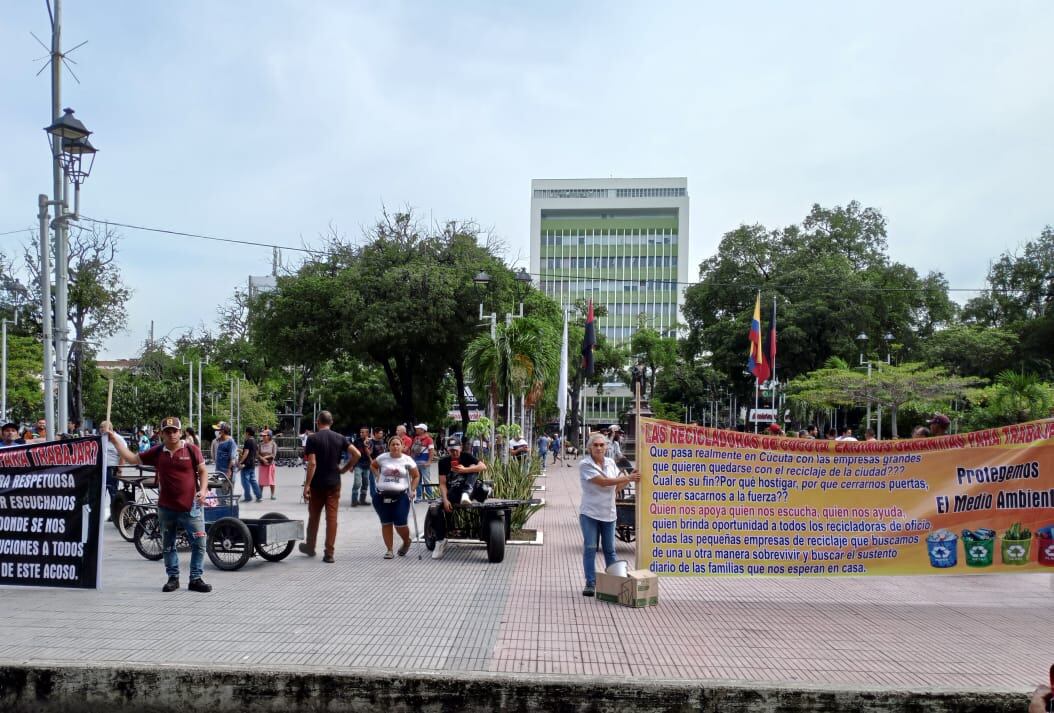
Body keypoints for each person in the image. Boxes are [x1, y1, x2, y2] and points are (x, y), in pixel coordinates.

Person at [105, 416, 212, 592]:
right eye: (167, 431)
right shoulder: (157, 452)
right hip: (166, 508)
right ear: (161, 434)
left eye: (174, 431)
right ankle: (173, 578)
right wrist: (115, 442)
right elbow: (132, 459)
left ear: (180, 432)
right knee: (168, 544)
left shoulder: (192, 450)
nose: (171, 435)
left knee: (200, 542)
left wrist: (204, 490)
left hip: (191, 506)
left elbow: (203, 471)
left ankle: (196, 578)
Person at [578, 432, 641, 597]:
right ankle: (590, 583)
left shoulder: (611, 463)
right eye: (595, 445)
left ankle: (615, 584)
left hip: (609, 514)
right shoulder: (585, 464)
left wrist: (629, 479)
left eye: (601, 445)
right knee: (591, 548)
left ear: (606, 447)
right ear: (590, 448)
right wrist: (627, 477)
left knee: (610, 550)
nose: (599, 448)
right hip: (590, 513)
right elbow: (604, 483)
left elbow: (616, 488)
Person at [300, 410, 360, 563]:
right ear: (331, 422)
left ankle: (310, 547)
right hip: (334, 482)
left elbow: (312, 463)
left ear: (317, 422)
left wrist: (307, 485)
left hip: (317, 484)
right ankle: (329, 553)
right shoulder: (340, 438)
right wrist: (345, 469)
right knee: (331, 518)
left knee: (314, 516)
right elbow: (357, 454)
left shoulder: (312, 439)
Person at [431, 436, 488, 560]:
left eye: (456, 450)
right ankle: (440, 541)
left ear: (460, 448)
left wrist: (465, 470)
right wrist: (445, 500)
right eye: (451, 450)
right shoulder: (443, 462)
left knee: (474, 467)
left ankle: (466, 493)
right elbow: (442, 483)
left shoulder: (467, 456)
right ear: (447, 450)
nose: (454, 453)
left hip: (470, 491)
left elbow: (483, 466)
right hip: (454, 492)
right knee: (435, 509)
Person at [369, 435, 419, 560]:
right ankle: (389, 550)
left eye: (398, 444)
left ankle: (406, 541)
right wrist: (377, 475)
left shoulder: (407, 460)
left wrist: (412, 489)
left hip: (401, 496)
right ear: (389, 446)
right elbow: (373, 465)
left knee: (400, 523)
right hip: (381, 496)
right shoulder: (383, 457)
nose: (395, 447)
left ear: (402, 446)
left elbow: (416, 476)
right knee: (386, 523)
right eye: (393, 444)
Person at [97, 420, 126, 507]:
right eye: (100, 427)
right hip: (100, 469)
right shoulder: (101, 438)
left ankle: (115, 512)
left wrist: (120, 470)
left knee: (113, 491)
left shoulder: (118, 439)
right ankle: (99, 513)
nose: (101, 429)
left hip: (111, 469)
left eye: (103, 427)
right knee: (100, 492)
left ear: (110, 428)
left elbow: (123, 455)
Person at [411, 423, 434, 500]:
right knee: (418, 479)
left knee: (426, 480)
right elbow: (413, 451)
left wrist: (429, 461)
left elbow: (431, 451)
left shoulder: (429, 439)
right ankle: (419, 496)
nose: (416, 430)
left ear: (423, 430)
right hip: (416, 462)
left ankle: (430, 496)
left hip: (424, 463)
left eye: (418, 428)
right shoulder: (416, 438)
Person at [350, 426, 372, 507]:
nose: (361, 433)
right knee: (357, 482)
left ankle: (362, 500)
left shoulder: (370, 442)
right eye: (360, 432)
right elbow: (352, 453)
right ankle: (354, 500)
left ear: (367, 433)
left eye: (363, 432)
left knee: (365, 483)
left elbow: (371, 453)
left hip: (367, 465)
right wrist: (351, 465)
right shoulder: (356, 441)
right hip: (358, 464)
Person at [238, 426, 261, 502]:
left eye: (245, 432)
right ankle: (259, 496)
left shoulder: (248, 441)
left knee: (245, 481)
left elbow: (247, 452)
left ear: (247, 433)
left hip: (246, 464)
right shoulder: (254, 441)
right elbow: (255, 453)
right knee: (253, 480)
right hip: (252, 464)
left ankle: (248, 497)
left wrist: (241, 461)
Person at [257, 429, 277, 500]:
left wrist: (266, 457)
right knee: (261, 481)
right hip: (262, 464)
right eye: (262, 436)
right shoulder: (260, 444)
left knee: (271, 480)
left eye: (265, 435)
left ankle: (272, 495)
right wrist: (262, 459)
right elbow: (257, 454)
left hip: (270, 464)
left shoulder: (273, 444)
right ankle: (260, 495)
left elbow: (273, 455)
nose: (263, 437)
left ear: (269, 436)